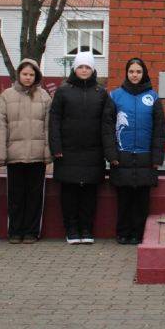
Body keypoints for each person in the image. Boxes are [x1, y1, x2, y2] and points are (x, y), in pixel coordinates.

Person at [103, 57, 165, 245]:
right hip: (122, 157)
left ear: (144, 73)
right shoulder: (115, 96)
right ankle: (123, 233)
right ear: (126, 73)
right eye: (131, 71)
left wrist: (157, 157)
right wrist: (112, 155)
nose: (135, 75)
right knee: (124, 200)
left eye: (138, 72)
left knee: (142, 200)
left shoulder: (153, 98)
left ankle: (139, 234)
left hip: (146, 158)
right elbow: (106, 128)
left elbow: (159, 130)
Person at [50, 51, 108, 245]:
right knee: (69, 194)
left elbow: (107, 124)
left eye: (88, 67)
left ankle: (86, 229)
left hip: (93, 152)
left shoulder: (101, 93)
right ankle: (72, 229)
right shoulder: (63, 91)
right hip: (68, 152)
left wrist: (107, 151)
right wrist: (56, 147)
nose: (84, 70)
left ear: (93, 70)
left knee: (89, 195)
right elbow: (54, 121)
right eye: (81, 67)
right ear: (75, 69)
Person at [0, 58, 52, 244]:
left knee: (35, 197)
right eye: (25, 74)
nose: (28, 77)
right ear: (19, 75)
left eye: (31, 74)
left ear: (36, 76)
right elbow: (0, 126)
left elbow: (49, 127)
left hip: (36, 156)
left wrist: (47, 152)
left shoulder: (44, 97)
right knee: (15, 197)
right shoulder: (7, 96)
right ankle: (15, 231)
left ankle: (32, 232)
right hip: (15, 156)